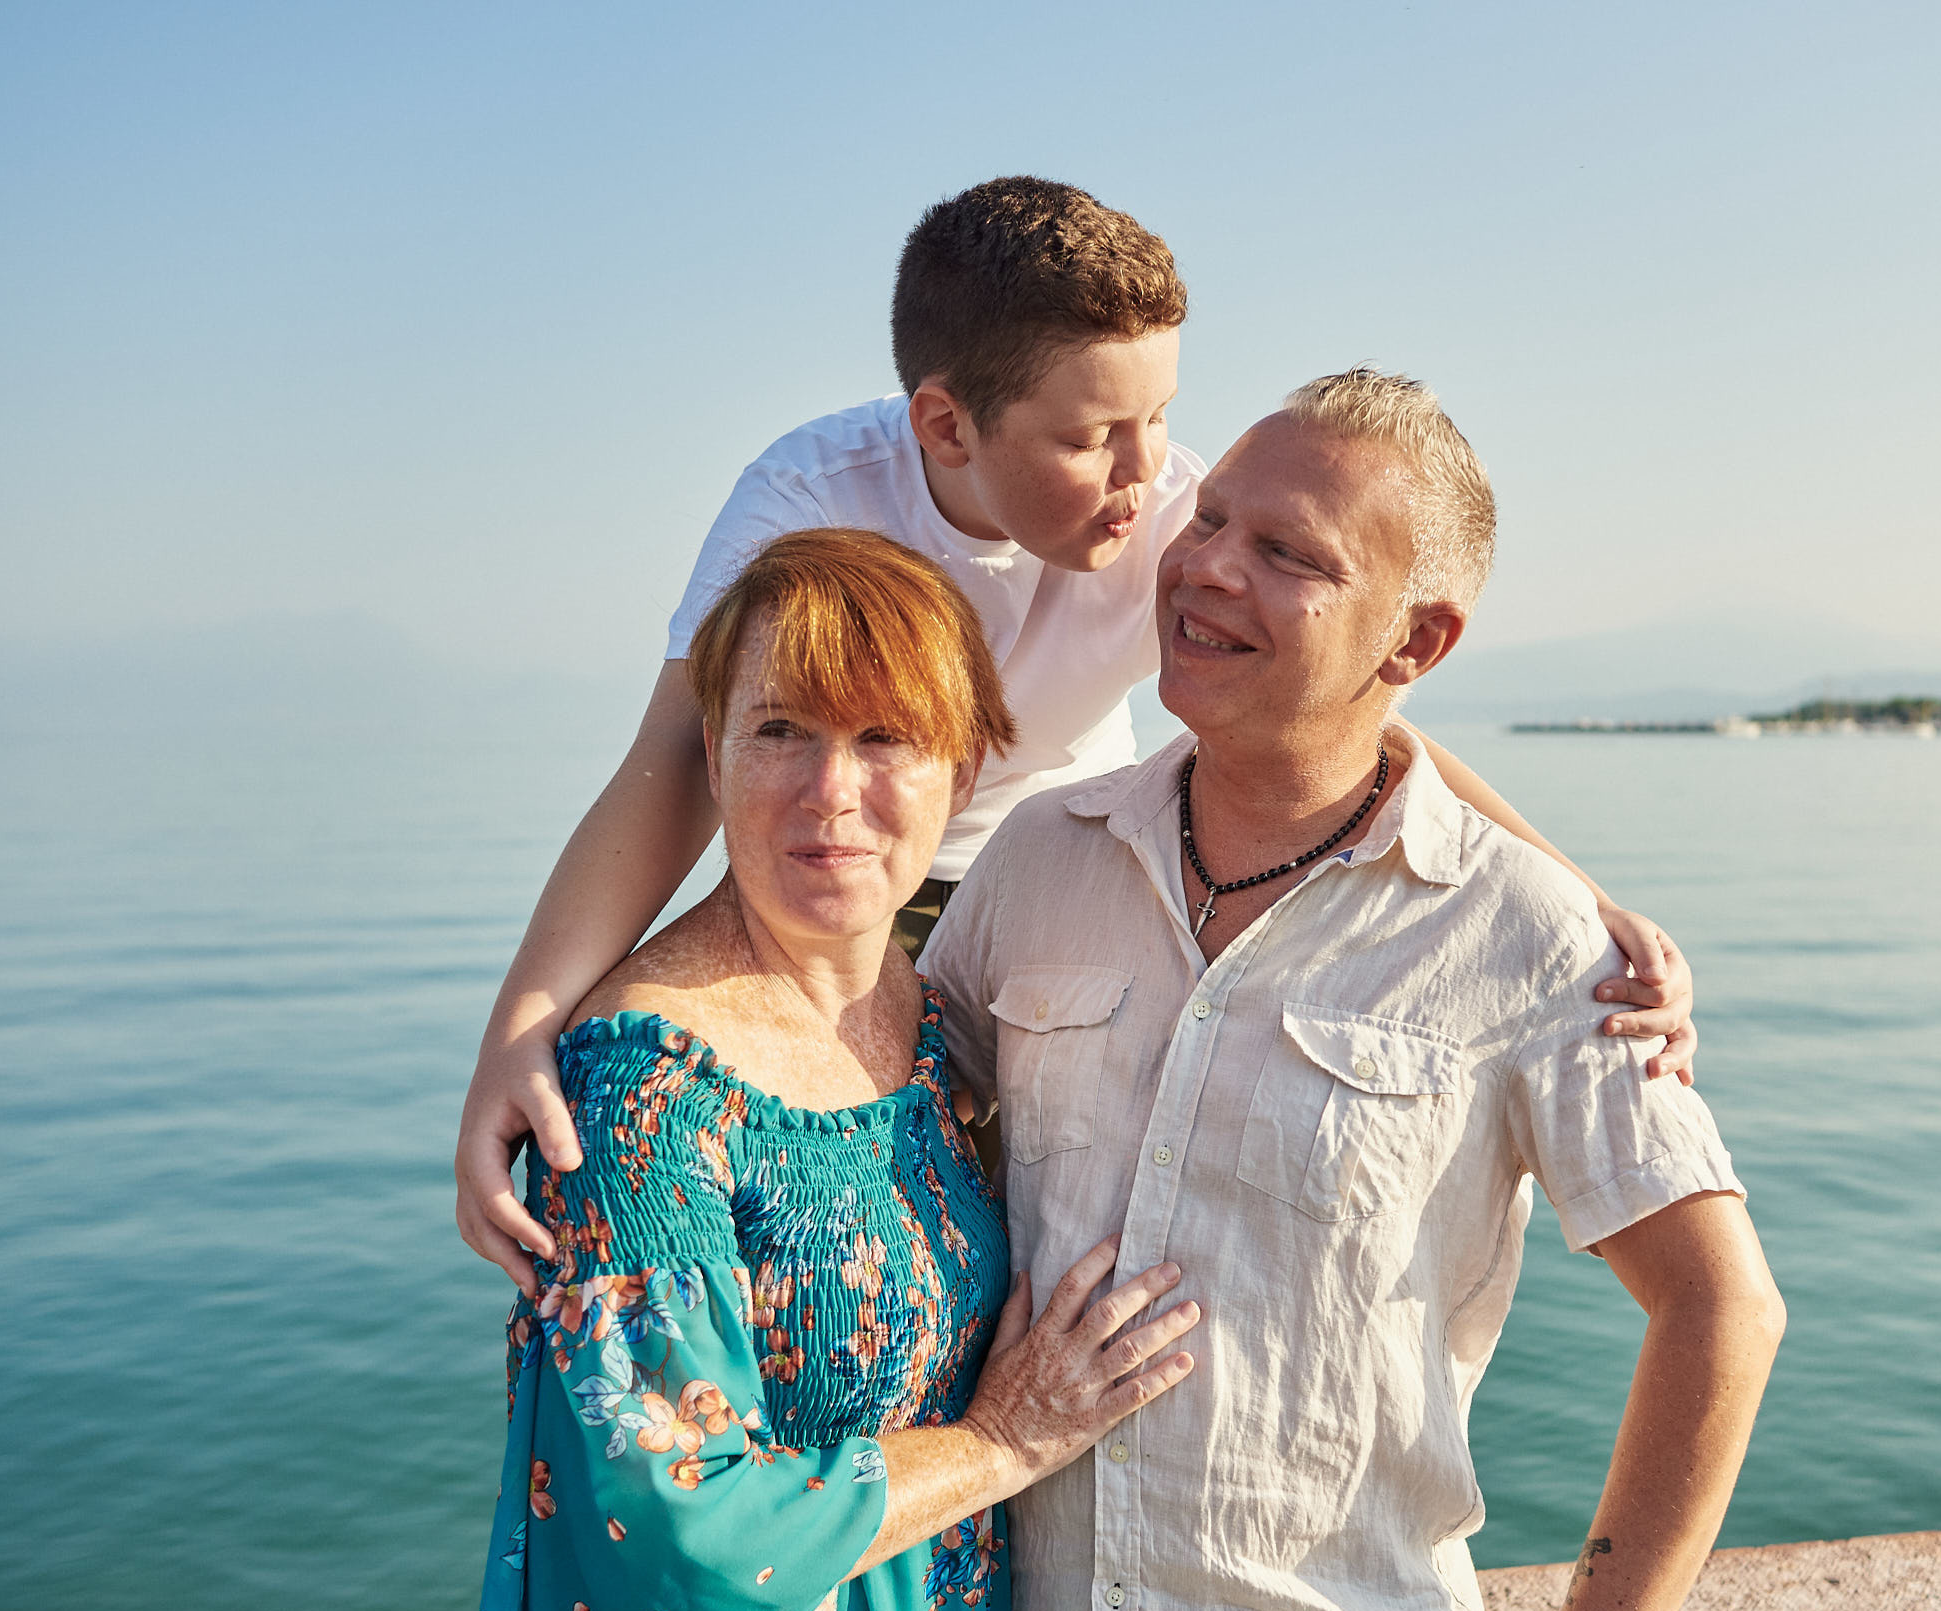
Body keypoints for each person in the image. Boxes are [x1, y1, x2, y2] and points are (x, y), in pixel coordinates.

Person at [455, 178, 1698, 1293]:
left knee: (1039, 1234)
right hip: (859, 873)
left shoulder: (1181, 514)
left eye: (1160, 414)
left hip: (1069, 876)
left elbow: (1358, 708)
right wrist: (519, 1032)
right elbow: (673, 763)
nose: (1146, 468)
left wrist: (1584, 902)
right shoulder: (811, 503)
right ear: (946, 427)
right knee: (789, 1210)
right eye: (1092, 433)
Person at [918, 371, 1787, 1611]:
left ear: (1416, 641)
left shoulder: (1532, 939)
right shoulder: (1040, 853)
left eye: (1285, 553)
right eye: (1209, 519)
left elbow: (1722, 1304)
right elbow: (890, 1138)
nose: (1203, 567)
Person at [472, 529, 1203, 1611]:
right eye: (780, 732)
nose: (831, 792)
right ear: (711, 757)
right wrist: (1003, 1441)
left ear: (962, 775)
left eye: (884, 739)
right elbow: (686, 1535)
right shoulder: (645, 1092)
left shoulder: (924, 1017)